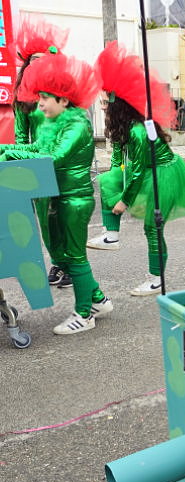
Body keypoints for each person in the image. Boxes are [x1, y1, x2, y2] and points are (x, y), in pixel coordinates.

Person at [0, 53, 112, 334]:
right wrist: (5, 150)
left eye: (45, 98)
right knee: (62, 254)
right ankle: (98, 299)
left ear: (63, 99)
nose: (39, 104)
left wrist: (10, 153)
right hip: (56, 195)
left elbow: (53, 157)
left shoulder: (77, 124)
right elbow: (37, 147)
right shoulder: (56, 121)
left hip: (74, 200)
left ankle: (84, 314)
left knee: (75, 256)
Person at [93, 42, 185, 296]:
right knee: (107, 179)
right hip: (150, 171)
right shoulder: (125, 127)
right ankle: (111, 234)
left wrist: (123, 202)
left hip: (164, 175)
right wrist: (117, 171)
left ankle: (157, 279)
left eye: (106, 101)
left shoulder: (138, 131)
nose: (102, 106)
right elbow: (120, 158)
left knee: (152, 227)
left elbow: (139, 171)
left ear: (119, 105)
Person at [12, 15, 70, 288]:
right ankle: (58, 261)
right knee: (46, 221)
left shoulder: (58, 95)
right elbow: (22, 136)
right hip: (38, 163)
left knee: (66, 218)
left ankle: (71, 263)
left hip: (63, 164)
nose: (38, 65)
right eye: (33, 60)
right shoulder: (21, 98)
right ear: (26, 65)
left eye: (43, 60)